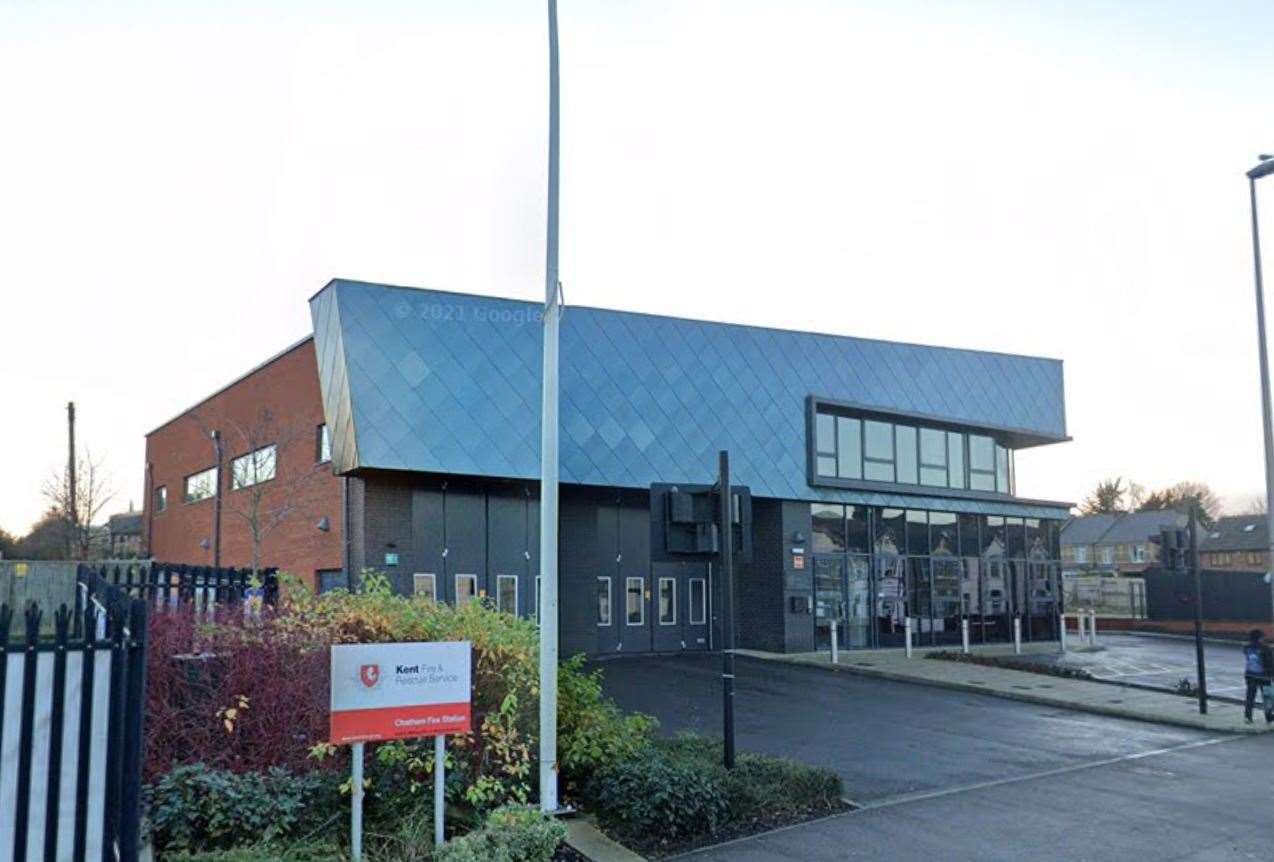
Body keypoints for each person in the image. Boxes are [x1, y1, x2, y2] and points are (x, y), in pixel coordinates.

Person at [1242, 628, 1274, 724]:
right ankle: (1268, 717)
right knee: (1267, 697)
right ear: (1260, 638)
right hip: (1264, 676)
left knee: (1250, 697)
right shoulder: (1265, 648)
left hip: (1250, 675)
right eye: (1262, 637)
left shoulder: (1246, 647)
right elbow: (1270, 663)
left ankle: (1248, 717)